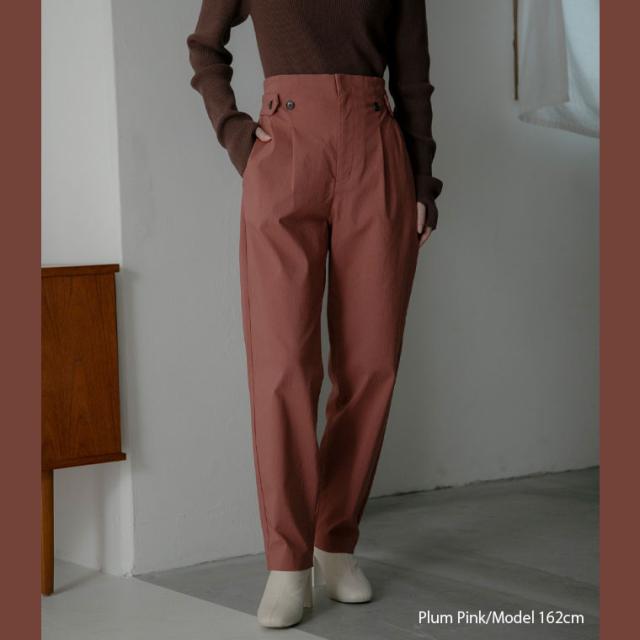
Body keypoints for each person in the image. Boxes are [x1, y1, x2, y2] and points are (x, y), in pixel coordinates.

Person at [187, 0, 443, 628]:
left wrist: (422, 181)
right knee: (282, 367)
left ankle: (334, 541)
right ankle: (286, 562)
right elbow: (205, 47)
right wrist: (235, 133)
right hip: (284, 151)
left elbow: (413, 77)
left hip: (376, 150)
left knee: (371, 364)